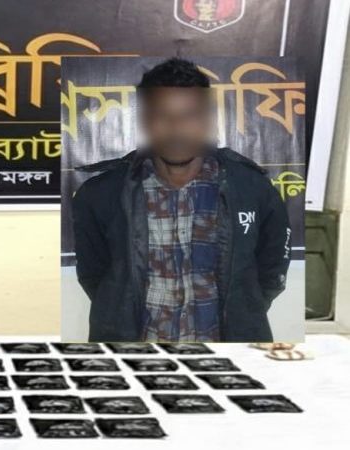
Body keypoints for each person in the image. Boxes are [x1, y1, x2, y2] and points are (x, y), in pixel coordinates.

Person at [72, 58, 291, 343]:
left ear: (208, 120)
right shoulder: (101, 194)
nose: (176, 128)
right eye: (162, 115)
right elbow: (93, 275)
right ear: (144, 120)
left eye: (189, 115)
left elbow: (272, 270)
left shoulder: (251, 188)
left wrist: (244, 311)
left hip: (227, 351)